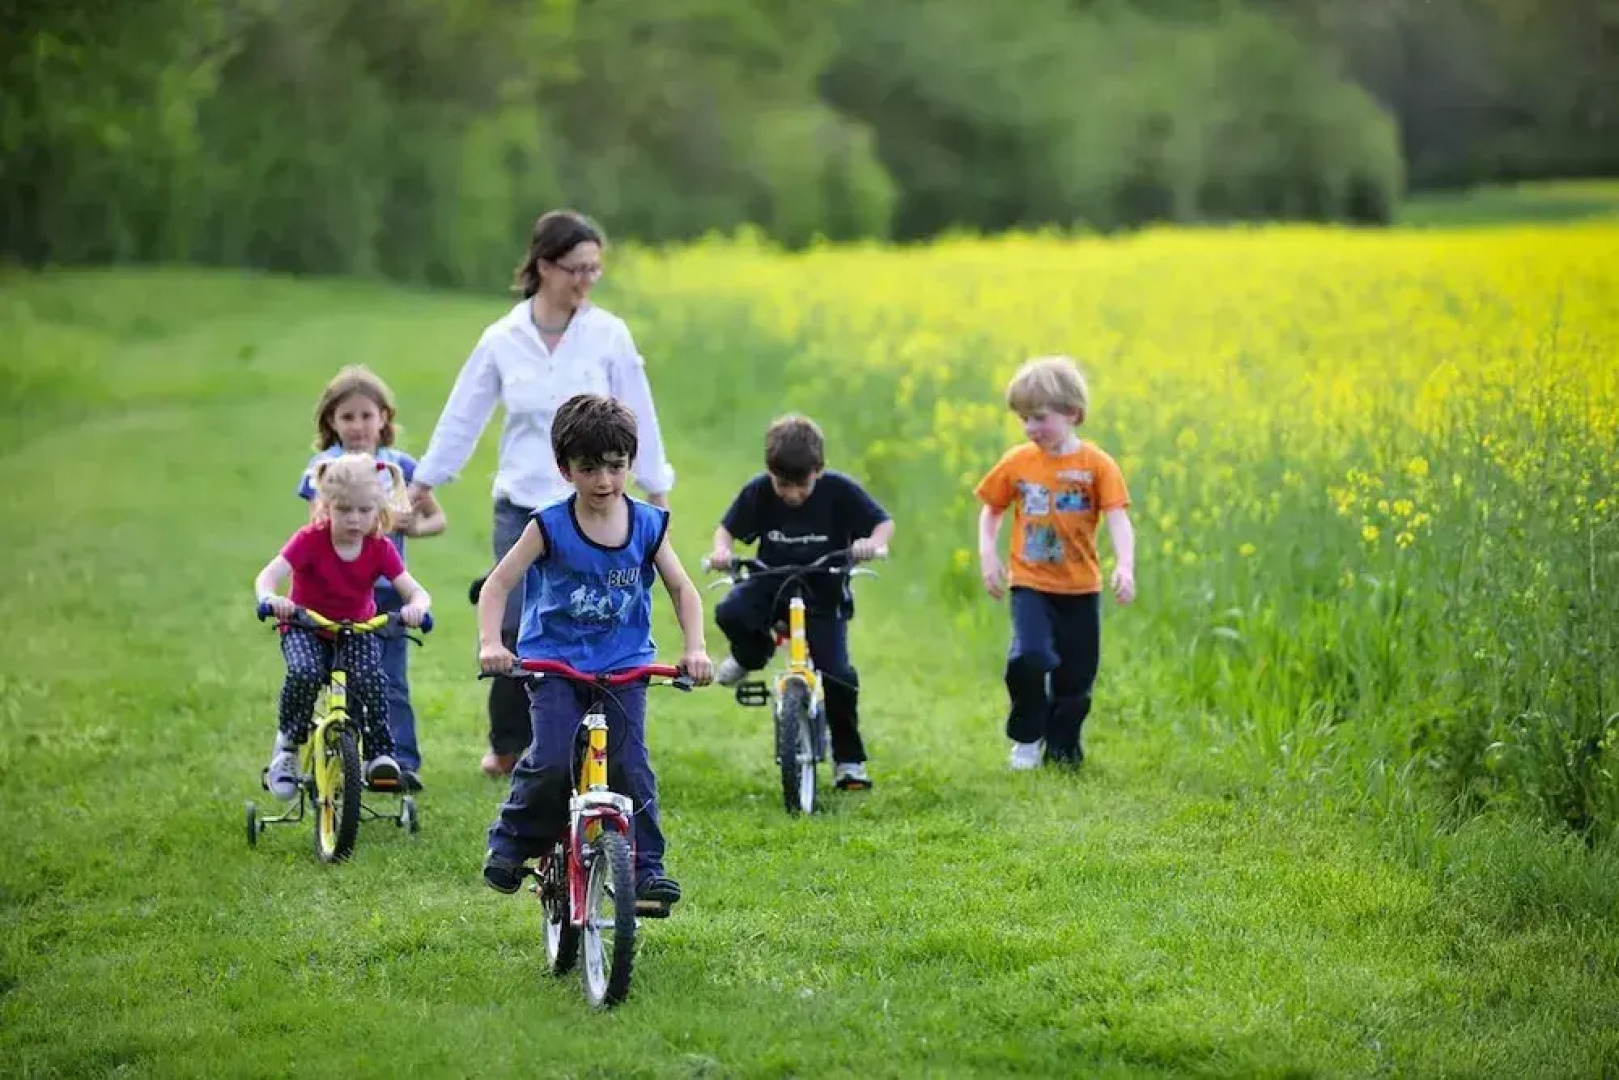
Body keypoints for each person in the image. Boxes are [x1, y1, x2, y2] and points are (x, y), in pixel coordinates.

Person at [407, 209, 676, 778]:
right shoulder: (504, 339)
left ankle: (593, 737)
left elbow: (639, 415)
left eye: (594, 269)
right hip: (525, 503)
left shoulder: (609, 335)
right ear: (544, 266)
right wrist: (425, 480)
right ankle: (511, 745)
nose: (586, 280)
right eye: (576, 268)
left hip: (600, 504)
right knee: (516, 623)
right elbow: (465, 412)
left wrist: (657, 484)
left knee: (593, 620)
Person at [474, 394, 712, 911]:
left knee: (632, 766)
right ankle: (513, 843)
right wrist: (492, 644)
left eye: (616, 467)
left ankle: (646, 871)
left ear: (630, 463)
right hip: (555, 662)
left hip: (624, 665)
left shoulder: (648, 525)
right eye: (589, 469)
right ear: (565, 470)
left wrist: (695, 648)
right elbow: (497, 586)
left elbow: (682, 590)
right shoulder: (549, 526)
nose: (604, 481)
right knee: (552, 757)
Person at [706, 414, 894, 790]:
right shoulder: (759, 491)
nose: (791, 494)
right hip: (769, 580)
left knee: (838, 673)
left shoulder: (839, 491)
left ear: (818, 471)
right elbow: (726, 530)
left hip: (823, 588)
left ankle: (849, 761)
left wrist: (872, 543)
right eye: (782, 484)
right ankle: (751, 655)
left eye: (801, 485)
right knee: (730, 611)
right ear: (769, 472)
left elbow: (882, 522)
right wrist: (721, 552)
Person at [974, 356, 1135, 770]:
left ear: (1073, 413)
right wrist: (988, 554)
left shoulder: (1097, 465)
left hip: (1081, 588)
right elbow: (991, 509)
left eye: (1039, 418)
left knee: (1075, 680)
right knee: (1028, 657)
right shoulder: (1018, 461)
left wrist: (1125, 566)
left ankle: (1063, 748)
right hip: (1030, 582)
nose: (1030, 428)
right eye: (1023, 419)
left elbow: (1118, 517)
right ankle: (1027, 736)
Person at [297, 365, 445, 790]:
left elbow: (437, 520)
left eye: (367, 415)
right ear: (331, 422)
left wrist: (406, 525)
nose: (358, 426)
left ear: (385, 418)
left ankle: (398, 762)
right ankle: (338, 758)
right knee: (342, 678)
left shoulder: (399, 468)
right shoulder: (324, 468)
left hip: (388, 593)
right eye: (347, 417)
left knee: (388, 679)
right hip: (335, 594)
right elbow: (314, 523)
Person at [255, 453, 434, 799]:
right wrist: (271, 598)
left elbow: (414, 590)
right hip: (306, 627)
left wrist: (417, 608)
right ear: (326, 506)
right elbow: (269, 575)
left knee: (370, 677)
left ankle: (380, 753)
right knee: (304, 673)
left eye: (365, 511)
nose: (354, 519)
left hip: (355, 629)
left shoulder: (379, 548)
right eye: (344, 510)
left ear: (378, 509)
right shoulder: (310, 540)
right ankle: (288, 747)